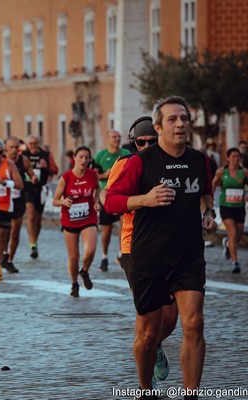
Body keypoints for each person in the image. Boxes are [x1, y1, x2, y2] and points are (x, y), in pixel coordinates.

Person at [104, 96, 217, 400]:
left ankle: (191, 394)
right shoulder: (139, 162)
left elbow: (205, 192)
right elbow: (110, 201)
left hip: (188, 254)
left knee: (194, 322)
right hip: (149, 255)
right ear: (158, 126)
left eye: (185, 118)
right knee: (149, 332)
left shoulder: (200, 160)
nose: (180, 124)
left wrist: (209, 213)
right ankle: (145, 390)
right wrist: (145, 199)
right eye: (173, 119)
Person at [101, 116, 177, 386]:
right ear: (133, 144)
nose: (146, 146)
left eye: (151, 141)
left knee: (171, 316)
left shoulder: (172, 162)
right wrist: (142, 200)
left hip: (169, 244)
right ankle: (146, 381)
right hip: (134, 245)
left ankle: (154, 346)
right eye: (140, 142)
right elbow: (109, 197)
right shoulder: (125, 163)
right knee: (146, 313)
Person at [52, 146, 99, 297]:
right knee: (74, 257)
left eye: (87, 157)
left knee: (90, 250)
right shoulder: (66, 177)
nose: (84, 160)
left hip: (88, 217)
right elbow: (54, 200)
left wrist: (97, 202)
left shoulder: (92, 175)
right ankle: (74, 283)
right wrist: (64, 202)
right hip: (70, 220)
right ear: (75, 158)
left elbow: (97, 189)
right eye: (81, 157)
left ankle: (84, 271)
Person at [212, 147, 248, 273]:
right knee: (233, 233)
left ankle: (227, 244)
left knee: (239, 235)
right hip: (226, 207)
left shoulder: (244, 172)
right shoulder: (222, 171)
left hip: (239, 207)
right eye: (233, 156)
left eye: (238, 156)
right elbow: (214, 183)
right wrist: (211, 194)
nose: (236, 159)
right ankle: (235, 262)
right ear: (228, 158)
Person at [0, 138, 23, 280]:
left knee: (3, 235)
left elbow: (20, 185)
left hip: (6, 206)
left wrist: (6, 182)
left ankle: (0, 258)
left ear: (3, 153)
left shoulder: (9, 165)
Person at [93, 129, 130, 272]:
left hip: (123, 195)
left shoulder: (125, 155)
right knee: (107, 229)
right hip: (106, 196)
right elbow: (93, 175)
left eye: (118, 137)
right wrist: (104, 175)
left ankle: (122, 255)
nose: (117, 139)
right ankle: (104, 256)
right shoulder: (100, 156)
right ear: (107, 139)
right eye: (114, 137)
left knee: (123, 225)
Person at [22, 135, 58, 259]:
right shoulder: (24, 154)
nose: (32, 146)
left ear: (38, 143)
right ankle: (32, 243)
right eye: (30, 144)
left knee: (37, 218)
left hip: (41, 189)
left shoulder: (46, 155)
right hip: (27, 188)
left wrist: (46, 166)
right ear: (27, 144)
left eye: (35, 143)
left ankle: (34, 242)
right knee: (31, 214)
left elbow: (55, 170)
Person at [4, 137, 37, 271]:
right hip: (3, 200)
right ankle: (3, 254)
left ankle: (10, 259)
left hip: (18, 199)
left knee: (15, 231)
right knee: (4, 231)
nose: (14, 150)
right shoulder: (1, 161)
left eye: (16, 148)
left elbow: (31, 173)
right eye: (11, 148)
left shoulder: (23, 160)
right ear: (6, 149)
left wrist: (34, 177)